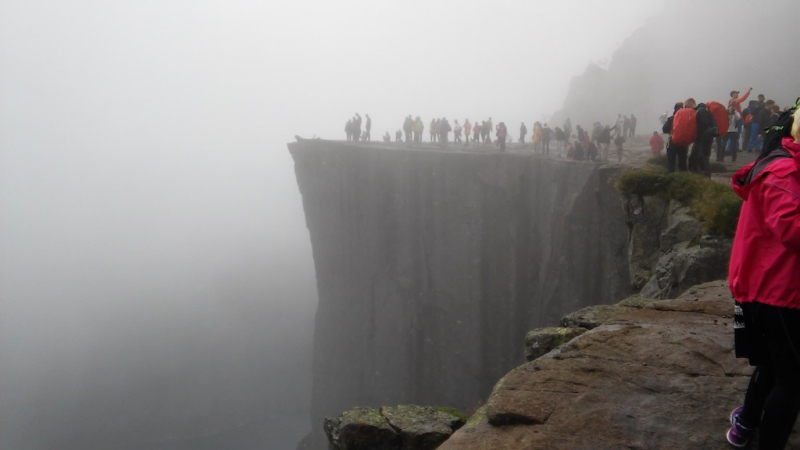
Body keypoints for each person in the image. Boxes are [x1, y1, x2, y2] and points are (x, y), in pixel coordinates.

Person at [726, 108, 800, 449]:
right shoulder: (784, 169)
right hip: (777, 291)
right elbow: (791, 229)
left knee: (772, 364)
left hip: (760, 287)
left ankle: (746, 423)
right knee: (793, 379)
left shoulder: (780, 163)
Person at [685, 98, 715, 176]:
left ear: (690, 104)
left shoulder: (701, 111)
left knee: (702, 157)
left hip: (704, 138)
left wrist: (695, 131)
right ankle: (699, 175)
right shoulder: (701, 110)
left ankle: (705, 176)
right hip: (703, 138)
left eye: (686, 106)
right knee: (695, 157)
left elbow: (704, 124)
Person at [663, 102, 688, 172]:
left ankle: (671, 179)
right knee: (683, 164)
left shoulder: (671, 118)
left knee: (671, 164)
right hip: (683, 143)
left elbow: (664, 130)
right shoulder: (686, 118)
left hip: (672, 142)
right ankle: (684, 180)